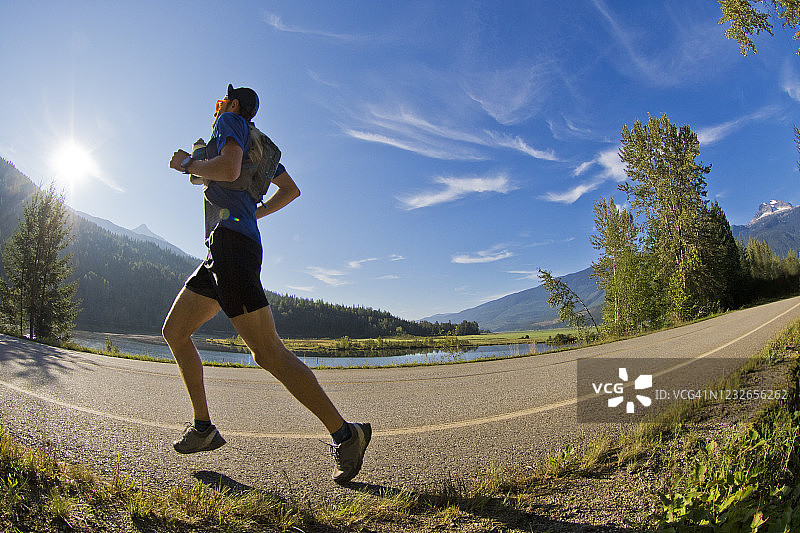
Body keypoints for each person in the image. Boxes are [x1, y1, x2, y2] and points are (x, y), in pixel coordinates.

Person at [164, 84, 370, 484]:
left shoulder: (230, 122)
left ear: (235, 104)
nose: (218, 104)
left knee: (268, 352)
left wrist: (187, 163)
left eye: (223, 99)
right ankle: (203, 428)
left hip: (232, 249)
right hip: (224, 249)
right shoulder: (260, 144)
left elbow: (227, 169)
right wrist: (256, 213)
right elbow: (291, 191)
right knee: (174, 331)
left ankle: (347, 435)